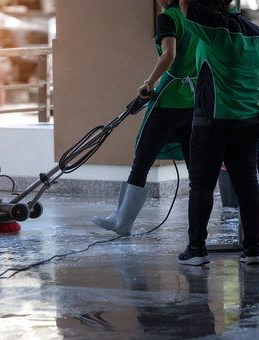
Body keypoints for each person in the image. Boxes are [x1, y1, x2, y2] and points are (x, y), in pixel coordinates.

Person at [177, 0, 259, 266]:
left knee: (201, 186)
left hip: (212, 122)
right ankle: (253, 250)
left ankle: (196, 249)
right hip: (249, 123)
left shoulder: (213, 27)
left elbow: (184, 5)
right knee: (248, 186)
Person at [92, 0, 198, 236]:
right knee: (196, 170)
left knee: (142, 160)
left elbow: (169, 54)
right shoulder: (195, 17)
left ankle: (123, 222)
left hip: (169, 102)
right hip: (192, 101)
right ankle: (197, 232)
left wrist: (149, 83)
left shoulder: (168, 18)